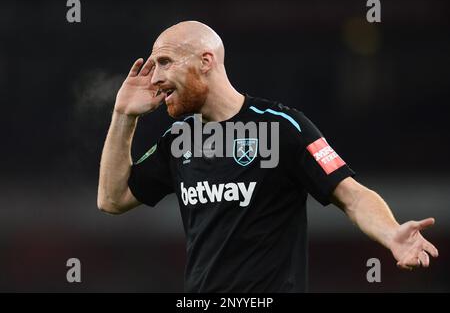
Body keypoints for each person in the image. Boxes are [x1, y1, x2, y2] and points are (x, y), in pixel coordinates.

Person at [97, 21, 439, 292]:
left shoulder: (282, 127)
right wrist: (124, 115)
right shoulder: (179, 139)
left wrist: (391, 233)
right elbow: (112, 199)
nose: (155, 78)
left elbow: (352, 195)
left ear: (205, 61)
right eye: (154, 65)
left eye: (165, 63)